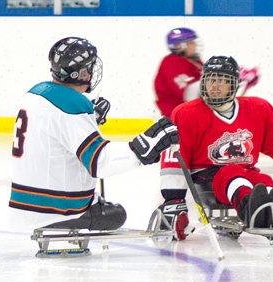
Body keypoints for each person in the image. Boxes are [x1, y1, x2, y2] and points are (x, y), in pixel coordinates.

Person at [9, 37, 179, 232]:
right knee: (116, 215)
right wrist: (145, 146)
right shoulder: (71, 104)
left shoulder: (34, 94)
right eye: (90, 66)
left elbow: (52, 132)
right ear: (81, 72)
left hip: (23, 206)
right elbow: (100, 162)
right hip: (57, 208)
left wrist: (88, 121)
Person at [157, 56, 273, 241]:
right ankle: (250, 207)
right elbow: (174, 158)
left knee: (262, 179)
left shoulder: (258, 108)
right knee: (232, 172)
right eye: (210, 80)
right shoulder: (185, 113)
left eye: (222, 81)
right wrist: (173, 200)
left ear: (234, 84)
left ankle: (266, 212)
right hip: (205, 177)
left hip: (244, 172)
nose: (214, 86)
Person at [154, 27, 261, 117]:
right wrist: (232, 78)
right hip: (178, 121)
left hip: (195, 117)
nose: (195, 45)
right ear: (178, 46)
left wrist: (238, 81)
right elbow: (191, 95)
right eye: (191, 42)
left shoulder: (196, 62)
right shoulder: (171, 62)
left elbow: (213, 91)